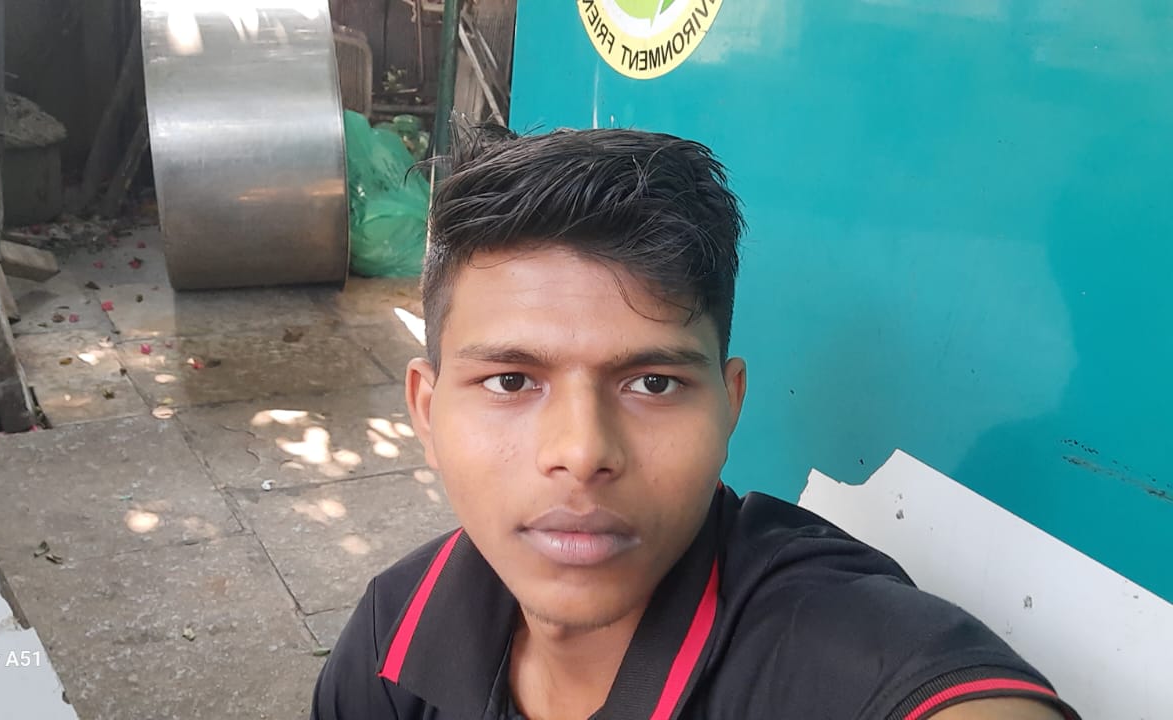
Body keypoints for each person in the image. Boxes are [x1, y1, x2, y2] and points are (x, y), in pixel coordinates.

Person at [310, 128, 1080, 720]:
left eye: (653, 383)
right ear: (427, 409)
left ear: (730, 404)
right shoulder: (394, 633)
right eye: (511, 381)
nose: (581, 452)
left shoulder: (827, 650)